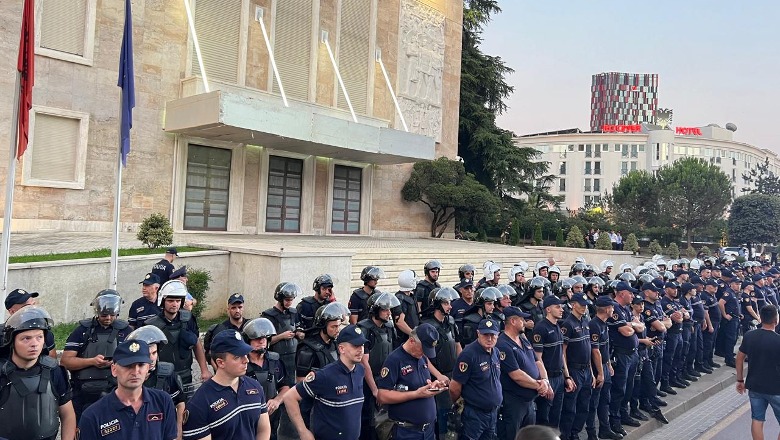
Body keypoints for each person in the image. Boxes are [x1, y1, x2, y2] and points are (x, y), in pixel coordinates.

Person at [0, 306, 76, 440]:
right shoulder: (2, 373)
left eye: (39, 337)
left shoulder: (54, 371)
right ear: (12, 341)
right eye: (26, 338)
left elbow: (68, 414)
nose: (34, 344)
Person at [77, 340, 178, 440]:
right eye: (128, 366)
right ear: (114, 370)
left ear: (148, 367)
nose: (135, 371)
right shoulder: (93, 415)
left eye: (141, 365)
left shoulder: (163, 401)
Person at [183, 330, 271, 439]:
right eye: (237, 357)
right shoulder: (200, 403)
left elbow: (263, 430)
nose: (246, 360)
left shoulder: (255, 387)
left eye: (245, 354)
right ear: (220, 362)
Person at [284, 324, 367, 440]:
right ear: (341, 349)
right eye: (355, 346)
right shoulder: (326, 375)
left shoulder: (360, 371)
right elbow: (289, 397)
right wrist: (303, 432)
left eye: (362, 345)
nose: (360, 350)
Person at [61, 289, 131, 421]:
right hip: (83, 393)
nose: (108, 318)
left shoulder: (126, 331)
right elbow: (65, 361)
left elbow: (134, 361)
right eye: (104, 315)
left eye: (112, 315)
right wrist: (92, 361)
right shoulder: (83, 330)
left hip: (115, 391)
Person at [376, 323, 447, 439]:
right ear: (412, 341)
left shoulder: (422, 358)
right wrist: (416, 394)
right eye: (422, 349)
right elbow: (382, 396)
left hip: (428, 430)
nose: (424, 353)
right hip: (407, 432)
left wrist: (433, 385)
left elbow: (421, 384)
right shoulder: (394, 360)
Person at [146, 280, 211, 398]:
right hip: (162, 377)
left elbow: (197, 344)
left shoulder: (188, 319)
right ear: (163, 301)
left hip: (186, 374)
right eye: (170, 300)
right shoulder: (152, 325)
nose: (174, 304)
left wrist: (204, 370)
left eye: (177, 300)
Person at [496, 307, 550, 440]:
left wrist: (545, 381)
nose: (525, 322)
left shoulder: (522, 339)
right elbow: (516, 375)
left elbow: (537, 361)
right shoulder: (503, 344)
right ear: (513, 321)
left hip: (529, 401)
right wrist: (539, 385)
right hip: (514, 403)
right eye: (522, 320)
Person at [123, 325, 186, 438]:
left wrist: (178, 433)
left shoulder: (167, 372)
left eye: (154, 353)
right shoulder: (126, 378)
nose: (152, 359)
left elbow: (180, 403)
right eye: (147, 354)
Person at [450, 318, 502, 440]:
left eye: (492, 335)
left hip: (493, 413)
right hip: (474, 414)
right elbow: (454, 387)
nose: (489, 339)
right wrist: (460, 404)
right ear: (478, 333)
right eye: (485, 335)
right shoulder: (468, 355)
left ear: (498, 335)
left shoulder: (496, 352)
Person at [358, 291, 399, 440]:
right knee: (367, 421)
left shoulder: (389, 327)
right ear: (375, 311)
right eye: (385, 310)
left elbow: (394, 354)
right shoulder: (365, 329)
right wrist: (375, 390)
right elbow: (364, 363)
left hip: (385, 379)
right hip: (368, 382)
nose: (389, 313)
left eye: (389, 309)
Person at [421, 287, 461, 438]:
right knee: (441, 415)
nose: (450, 306)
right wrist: (439, 376)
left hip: (452, 373)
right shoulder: (427, 326)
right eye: (445, 303)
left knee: (454, 413)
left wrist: (462, 369)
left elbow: (458, 346)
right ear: (437, 304)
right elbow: (423, 357)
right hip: (436, 377)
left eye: (450, 303)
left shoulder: (450, 321)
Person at [736, 304, 780, 440]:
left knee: (757, 419)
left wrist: (740, 380)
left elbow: (739, 358)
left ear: (760, 318)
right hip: (776, 388)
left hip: (754, 386)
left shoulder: (749, 336)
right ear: (776, 320)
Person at [243, 318, 291, 440]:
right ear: (248, 341)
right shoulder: (241, 363)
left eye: (264, 338)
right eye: (257, 338)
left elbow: (285, 386)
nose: (262, 341)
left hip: (272, 417)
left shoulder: (275, 361)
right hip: (247, 419)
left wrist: (277, 400)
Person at [607, 282, 642, 436]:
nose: (633, 296)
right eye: (631, 293)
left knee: (629, 387)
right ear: (622, 293)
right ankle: (615, 420)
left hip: (632, 353)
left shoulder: (626, 309)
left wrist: (632, 324)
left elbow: (640, 327)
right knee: (619, 389)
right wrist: (633, 325)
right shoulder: (615, 309)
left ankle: (624, 415)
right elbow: (626, 331)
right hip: (621, 354)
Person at [532, 296, 570, 429]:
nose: (561, 310)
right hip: (549, 378)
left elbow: (561, 355)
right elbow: (538, 358)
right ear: (548, 309)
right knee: (544, 418)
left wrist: (567, 376)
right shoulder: (541, 328)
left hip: (559, 377)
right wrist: (545, 381)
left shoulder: (558, 327)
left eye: (561, 307)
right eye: (557, 307)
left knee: (556, 416)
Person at [560, 293, 594, 440]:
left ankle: (575, 432)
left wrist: (592, 373)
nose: (584, 307)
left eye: (585, 305)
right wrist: (567, 375)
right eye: (581, 304)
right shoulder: (568, 324)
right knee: (570, 408)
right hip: (574, 370)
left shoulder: (585, 321)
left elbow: (589, 349)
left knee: (584, 406)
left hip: (586, 369)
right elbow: (563, 351)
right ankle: (567, 435)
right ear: (573, 305)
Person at [262, 282, 305, 386]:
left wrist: (300, 334)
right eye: (287, 300)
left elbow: (300, 328)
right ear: (280, 299)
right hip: (277, 357)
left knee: (293, 384)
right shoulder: (268, 316)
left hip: (294, 356)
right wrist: (282, 336)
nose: (289, 303)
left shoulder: (294, 313)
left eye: (291, 300)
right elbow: (264, 341)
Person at [4, 287, 57, 358]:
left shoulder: (42, 330)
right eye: (27, 307)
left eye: (34, 304)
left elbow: (52, 359)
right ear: (12, 311)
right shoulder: (2, 334)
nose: (33, 309)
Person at [204, 293, 250, 364]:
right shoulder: (221, 329)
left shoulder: (250, 326)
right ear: (228, 309)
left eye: (240, 307)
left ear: (243, 308)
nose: (237, 310)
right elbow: (212, 354)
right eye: (233, 308)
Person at [395, 269, 421, 346]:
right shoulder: (400, 298)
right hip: (405, 341)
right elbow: (400, 322)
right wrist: (413, 334)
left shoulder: (411, 296)